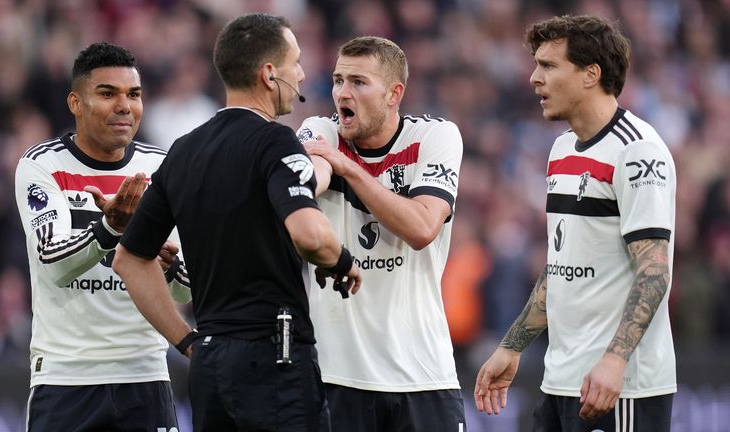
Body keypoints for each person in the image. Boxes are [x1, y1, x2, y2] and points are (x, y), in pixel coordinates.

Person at [112, 13, 361, 432]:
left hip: (209, 366)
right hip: (274, 361)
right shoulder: (274, 141)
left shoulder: (183, 151)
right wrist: (341, 261)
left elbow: (129, 260)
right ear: (269, 74)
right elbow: (309, 235)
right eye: (294, 62)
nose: (301, 74)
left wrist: (188, 341)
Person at [474, 15, 676, 431]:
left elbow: (654, 270)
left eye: (548, 66)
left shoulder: (638, 152)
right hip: (562, 379)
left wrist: (615, 360)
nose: (533, 78)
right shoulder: (561, 150)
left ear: (591, 74)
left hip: (621, 387)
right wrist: (513, 346)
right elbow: (562, 267)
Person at [14, 42, 191, 431]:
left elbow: (186, 291)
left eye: (134, 94)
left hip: (145, 373)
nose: (125, 106)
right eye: (108, 94)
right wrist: (110, 229)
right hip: (66, 378)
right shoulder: (42, 165)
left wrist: (170, 265)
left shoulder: (161, 167)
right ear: (76, 103)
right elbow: (55, 263)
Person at [297, 36, 466, 432]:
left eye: (358, 82)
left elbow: (422, 228)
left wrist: (350, 168)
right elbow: (312, 179)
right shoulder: (319, 130)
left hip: (424, 376)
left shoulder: (434, 138)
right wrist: (323, 170)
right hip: (338, 378)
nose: (342, 93)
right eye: (338, 80)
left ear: (394, 94)